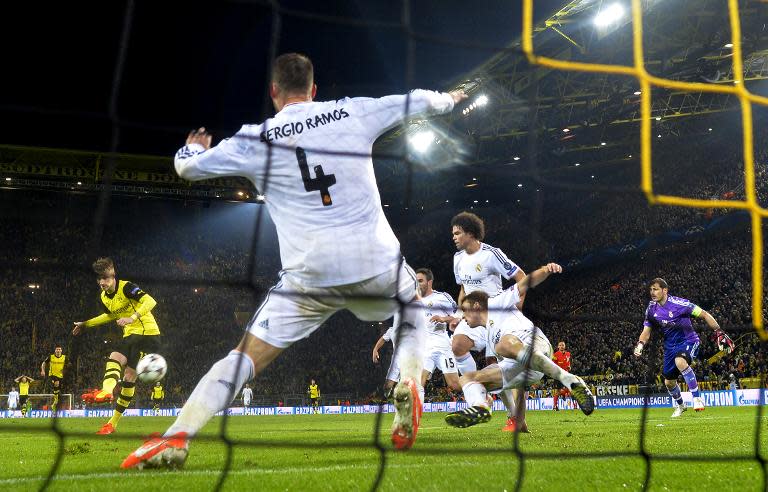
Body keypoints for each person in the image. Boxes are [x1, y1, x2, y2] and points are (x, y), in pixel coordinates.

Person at [122, 52, 467, 469]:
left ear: (273, 93)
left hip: (308, 276)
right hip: (374, 263)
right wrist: (451, 97)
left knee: (243, 358)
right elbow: (417, 101)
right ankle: (411, 380)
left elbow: (187, 170)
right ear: (314, 89)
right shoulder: (353, 111)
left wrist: (189, 147)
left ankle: (176, 439)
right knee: (412, 303)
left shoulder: (256, 139)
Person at [445, 263, 594, 429]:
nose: (463, 317)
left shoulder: (496, 303)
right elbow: (518, 384)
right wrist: (519, 419)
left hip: (536, 344)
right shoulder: (490, 335)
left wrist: (546, 270)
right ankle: (480, 407)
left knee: (503, 346)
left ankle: (570, 379)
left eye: (464, 311)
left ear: (476, 306)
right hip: (528, 369)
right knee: (467, 378)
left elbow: (525, 282)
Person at [449, 211, 527, 432]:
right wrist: (457, 314)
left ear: (471, 233)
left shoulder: (492, 254)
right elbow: (463, 288)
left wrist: (518, 304)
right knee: (457, 345)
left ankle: (516, 418)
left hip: (496, 315)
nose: (454, 237)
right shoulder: (458, 259)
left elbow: (521, 276)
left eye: (457, 233)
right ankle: (479, 397)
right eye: (453, 233)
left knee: (500, 366)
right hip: (472, 315)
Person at [72, 257, 162, 434]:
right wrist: (85, 324)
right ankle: (111, 421)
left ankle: (107, 392)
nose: (102, 282)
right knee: (128, 377)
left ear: (113, 275)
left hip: (148, 334)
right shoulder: (104, 298)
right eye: (99, 279)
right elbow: (110, 316)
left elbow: (150, 301)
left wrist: (132, 317)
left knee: (117, 359)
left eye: (105, 278)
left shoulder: (127, 287)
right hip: (131, 335)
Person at [634, 278, 733, 417]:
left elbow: (704, 313)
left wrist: (719, 332)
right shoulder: (651, 308)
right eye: (650, 289)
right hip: (670, 347)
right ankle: (681, 405)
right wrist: (640, 344)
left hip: (688, 341)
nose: (652, 292)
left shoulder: (680, 304)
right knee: (668, 382)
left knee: (680, 361)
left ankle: (697, 398)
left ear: (665, 290)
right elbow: (646, 330)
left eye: (655, 289)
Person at [416, 268, 461, 401]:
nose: (417, 284)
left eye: (420, 281)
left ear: (429, 282)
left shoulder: (441, 297)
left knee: (454, 385)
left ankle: (482, 393)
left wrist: (444, 319)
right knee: (418, 383)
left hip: (442, 346)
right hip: (425, 348)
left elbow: (459, 314)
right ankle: (414, 420)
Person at [371, 326, 400, 397]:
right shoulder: (392, 330)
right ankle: (386, 399)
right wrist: (375, 349)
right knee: (388, 386)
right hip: (397, 360)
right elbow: (383, 339)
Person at [40, 345, 66, 412]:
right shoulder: (51, 357)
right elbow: (43, 363)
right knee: (56, 383)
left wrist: (66, 369)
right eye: (57, 349)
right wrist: (42, 370)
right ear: (55, 350)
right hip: (52, 375)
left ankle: (54, 403)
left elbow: (69, 365)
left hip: (61, 376)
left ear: (61, 350)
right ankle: (56, 400)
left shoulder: (64, 357)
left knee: (58, 391)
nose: (58, 350)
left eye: (59, 349)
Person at [551, 341, 573, 411]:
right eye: (560, 345)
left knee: (569, 389)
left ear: (565, 346)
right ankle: (555, 406)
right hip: (558, 375)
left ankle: (563, 394)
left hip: (566, 374)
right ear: (558, 347)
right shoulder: (555, 355)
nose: (561, 346)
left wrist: (569, 367)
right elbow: (553, 365)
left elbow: (568, 363)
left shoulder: (568, 354)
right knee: (558, 391)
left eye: (563, 345)